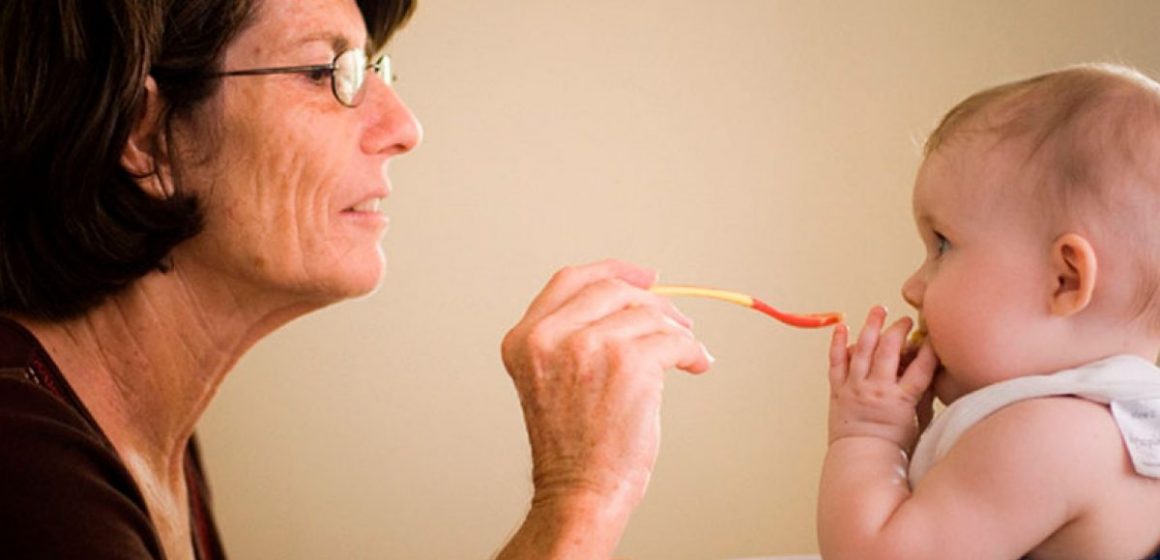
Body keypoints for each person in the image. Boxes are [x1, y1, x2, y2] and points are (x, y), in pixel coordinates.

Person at [0, 1, 713, 558]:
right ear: (146, 136)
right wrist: (578, 499)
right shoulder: (24, 470)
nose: (403, 126)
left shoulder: (155, 446)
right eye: (328, 73)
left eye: (375, 68)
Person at [817, 63, 1160, 560]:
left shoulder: (1047, 437)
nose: (912, 287)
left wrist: (868, 434)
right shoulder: (1122, 424)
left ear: (1064, 280)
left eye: (942, 245)